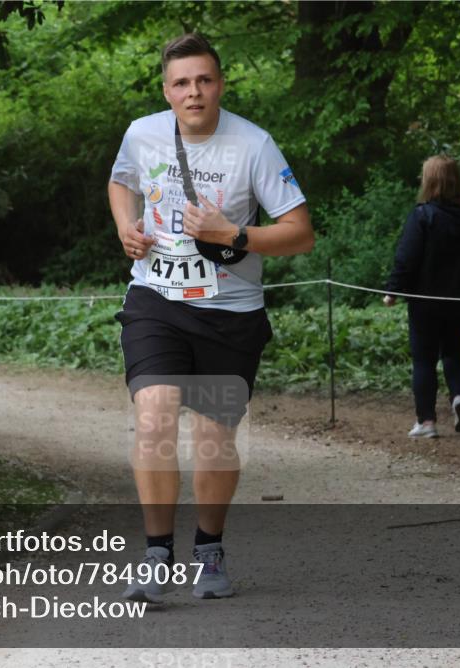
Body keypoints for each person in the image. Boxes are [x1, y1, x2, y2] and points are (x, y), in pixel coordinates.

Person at [108, 33, 314, 602]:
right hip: (155, 301)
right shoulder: (142, 133)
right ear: (167, 91)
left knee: (215, 437)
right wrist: (126, 225)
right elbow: (121, 181)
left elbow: (300, 233)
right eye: (181, 83)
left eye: (204, 80)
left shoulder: (255, 145)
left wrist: (235, 235)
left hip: (230, 313)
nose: (193, 91)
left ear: (220, 83)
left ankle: (209, 548)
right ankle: (155, 555)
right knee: (153, 417)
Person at [383, 155, 460, 438]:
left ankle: (426, 422)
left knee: (424, 358)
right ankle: (459, 397)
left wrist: (393, 290)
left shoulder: (423, 215)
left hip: (426, 301)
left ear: (429, 180)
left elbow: (407, 257)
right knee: (455, 350)